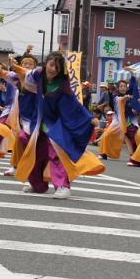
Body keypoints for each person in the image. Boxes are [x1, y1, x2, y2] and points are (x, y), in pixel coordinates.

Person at [14, 51, 105, 198]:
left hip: (55, 125)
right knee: (34, 154)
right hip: (37, 122)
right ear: (46, 64)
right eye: (51, 65)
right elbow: (21, 75)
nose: (53, 70)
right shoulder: (37, 75)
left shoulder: (63, 86)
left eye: (57, 67)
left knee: (56, 154)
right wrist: (13, 68)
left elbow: (74, 105)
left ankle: (63, 186)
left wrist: (89, 118)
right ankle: (37, 184)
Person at [3, 51, 40, 177]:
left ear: (35, 67)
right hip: (23, 116)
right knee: (19, 139)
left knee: (26, 139)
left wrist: (15, 66)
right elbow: (5, 74)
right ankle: (15, 166)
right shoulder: (17, 78)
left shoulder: (36, 78)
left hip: (37, 117)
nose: (27, 65)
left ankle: (32, 166)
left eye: (30, 64)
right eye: (24, 63)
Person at [98, 74, 140, 162]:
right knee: (107, 135)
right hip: (118, 120)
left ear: (127, 87)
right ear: (118, 88)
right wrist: (124, 98)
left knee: (138, 137)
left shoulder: (131, 96)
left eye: (124, 86)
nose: (123, 88)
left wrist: (135, 109)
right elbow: (118, 100)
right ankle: (104, 153)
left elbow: (136, 105)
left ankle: (136, 156)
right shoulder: (116, 96)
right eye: (121, 86)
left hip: (130, 120)